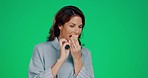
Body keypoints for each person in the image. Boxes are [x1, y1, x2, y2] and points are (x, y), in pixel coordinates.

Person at [28, 5, 94, 78]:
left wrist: (77, 59)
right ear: (60, 25)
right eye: (72, 26)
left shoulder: (86, 53)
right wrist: (60, 60)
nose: (77, 31)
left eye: (80, 27)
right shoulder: (40, 49)